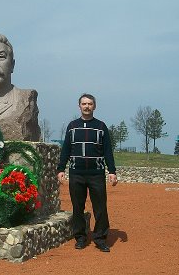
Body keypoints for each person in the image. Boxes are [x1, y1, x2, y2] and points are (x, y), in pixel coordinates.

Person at [57, 93, 118, 252]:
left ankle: (100, 238)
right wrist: (61, 169)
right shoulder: (72, 126)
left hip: (96, 174)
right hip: (76, 173)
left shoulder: (101, 126)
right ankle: (81, 237)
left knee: (100, 208)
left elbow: (107, 151)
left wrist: (112, 171)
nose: (87, 106)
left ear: (94, 106)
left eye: (90, 104)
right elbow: (66, 149)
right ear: (79, 106)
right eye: (84, 104)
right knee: (78, 207)